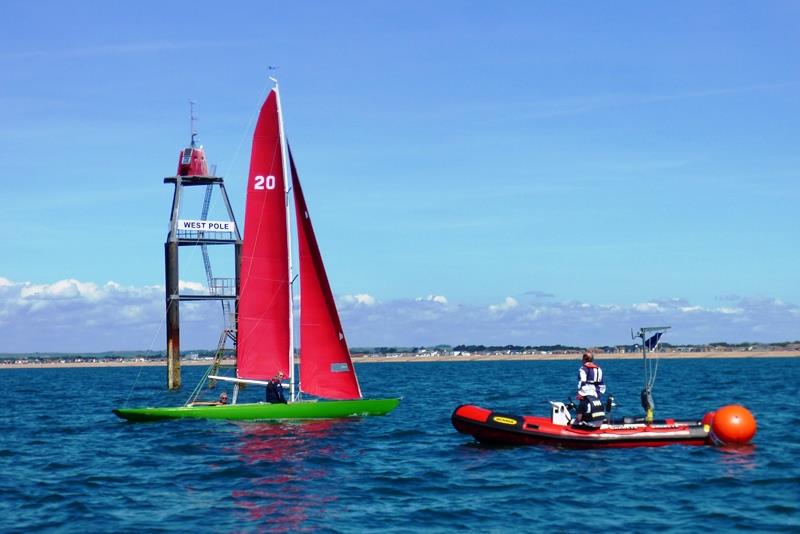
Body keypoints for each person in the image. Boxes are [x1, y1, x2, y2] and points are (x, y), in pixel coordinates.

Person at [575, 351, 606, 426]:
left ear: (584, 359)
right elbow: (601, 382)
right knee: (592, 406)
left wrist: (580, 391)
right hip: (596, 391)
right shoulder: (599, 369)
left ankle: (577, 423)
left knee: (581, 408)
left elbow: (583, 381)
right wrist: (599, 392)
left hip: (586, 391)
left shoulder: (583, 368)